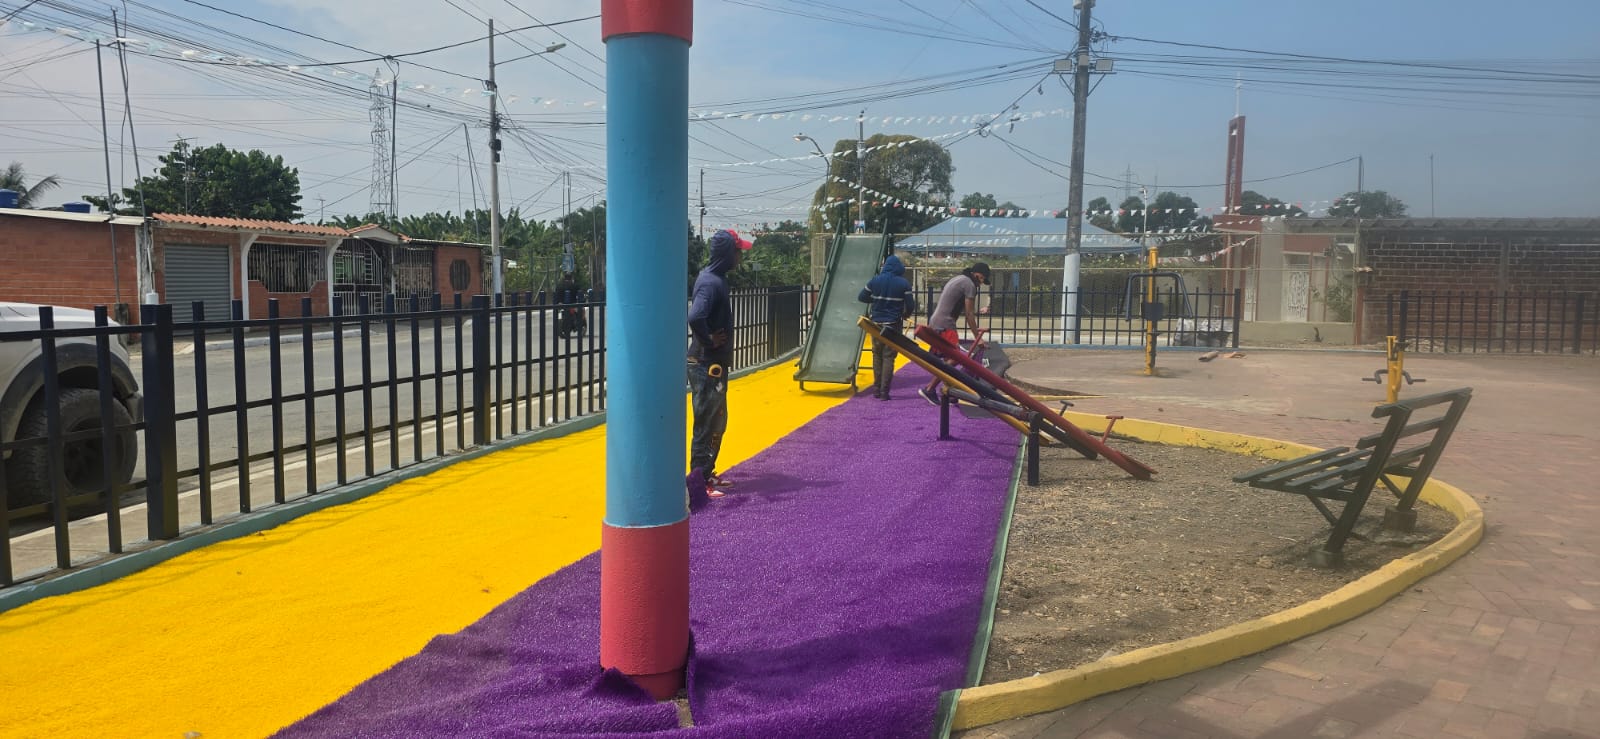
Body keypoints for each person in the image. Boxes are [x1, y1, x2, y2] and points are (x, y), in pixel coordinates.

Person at [686, 229, 753, 502]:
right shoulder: (711, 283)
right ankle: (697, 483)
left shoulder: (717, 280)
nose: (740, 257)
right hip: (706, 364)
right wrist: (709, 340)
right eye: (738, 252)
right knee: (706, 423)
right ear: (727, 254)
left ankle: (706, 472)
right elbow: (695, 316)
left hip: (714, 364)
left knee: (717, 422)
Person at [919, 262, 990, 406]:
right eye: (982, 278)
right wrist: (978, 338)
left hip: (937, 320)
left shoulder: (958, 278)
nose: (981, 283)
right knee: (955, 357)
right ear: (976, 274)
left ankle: (950, 392)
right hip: (945, 323)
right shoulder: (969, 284)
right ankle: (930, 388)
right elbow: (969, 314)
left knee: (948, 359)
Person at [858, 253, 918, 400]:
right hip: (893, 325)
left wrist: (875, 300)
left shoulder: (875, 281)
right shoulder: (903, 283)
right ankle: (885, 392)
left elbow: (862, 297)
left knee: (877, 355)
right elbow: (910, 305)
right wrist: (905, 314)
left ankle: (876, 389)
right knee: (889, 357)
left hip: (876, 324)